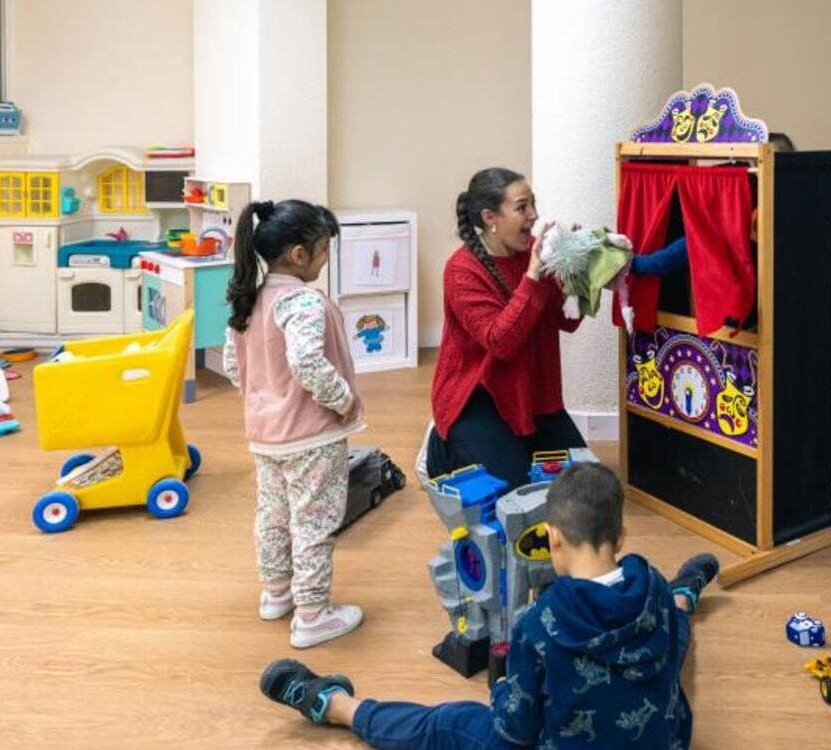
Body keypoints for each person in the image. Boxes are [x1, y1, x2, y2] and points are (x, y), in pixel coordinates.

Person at [259, 463, 720, 749]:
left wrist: (500, 687)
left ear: (552, 538)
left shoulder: (538, 624)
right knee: (672, 630)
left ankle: (335, 705)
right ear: (620, 537)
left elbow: (515, 730)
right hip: (664, 741)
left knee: (447, 724)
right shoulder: (653, 588)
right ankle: (688, 591)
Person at [222, 199, 365, 649]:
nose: (325, 259)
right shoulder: (301, 301)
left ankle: (276, 593)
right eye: (323, 250)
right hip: (310, 435)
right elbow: (306, 361)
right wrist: (341, 399)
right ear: (299, 255)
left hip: (266, 434)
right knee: (314, 520)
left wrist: (264, 396)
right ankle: (312, 614)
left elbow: (233, 364)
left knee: (273, 515)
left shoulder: (252, 297)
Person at [424, 167, 588, 489]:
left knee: (585, 487)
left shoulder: (534, 255)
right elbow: (501, 342)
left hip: (530, 396)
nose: (534, 215)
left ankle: (509, 443)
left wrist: (577, 272)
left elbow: (566, 322)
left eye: (533, 204)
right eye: (522, 207)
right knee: (517, 493)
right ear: (490, 217)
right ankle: (443, 446)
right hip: (478, 398)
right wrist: (534, 276)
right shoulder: (461, 270)